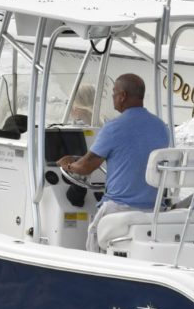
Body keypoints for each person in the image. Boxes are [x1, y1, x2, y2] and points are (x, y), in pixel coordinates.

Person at [59, 73, 170, 211]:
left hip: (120, 209)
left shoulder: (113, 128)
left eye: (114, 92)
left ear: (122, 96)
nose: (112, 97)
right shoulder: (161, 127)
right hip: (155, 210)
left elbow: (85, 167)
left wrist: (67, 165)